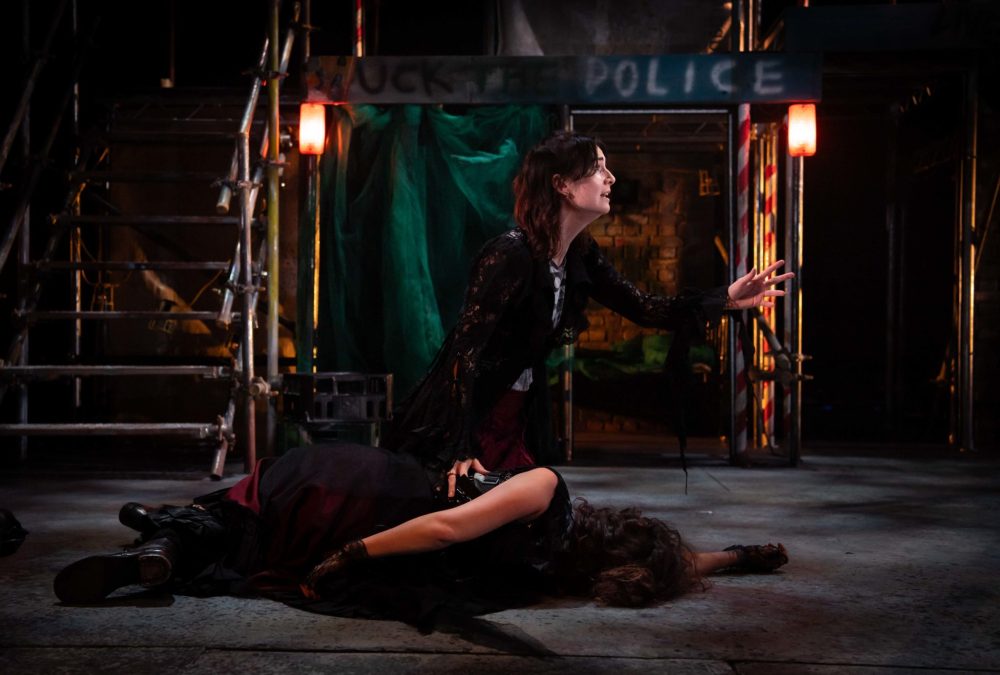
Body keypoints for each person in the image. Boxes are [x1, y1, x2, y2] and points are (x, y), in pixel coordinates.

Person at [385, 131, 793, 489]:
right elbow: (465, 352)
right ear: (562, 184)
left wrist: (725, 298)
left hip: (515, 417)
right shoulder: (510, 254)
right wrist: (458, 445)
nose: (610, 178)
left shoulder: (579, 254)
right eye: (598, 168)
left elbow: (644, 308)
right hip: (472, 420)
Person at [54, 442, 788, 624]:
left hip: (386, 506)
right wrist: (739, 558)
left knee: (274, 490)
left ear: (620, 521)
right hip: (401, 555)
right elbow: (683, 560)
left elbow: (441, 527)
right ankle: (162, 545)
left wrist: (349, 553)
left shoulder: (547, 489)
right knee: (264, 546)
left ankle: (167, 533)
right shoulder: (555, 575)